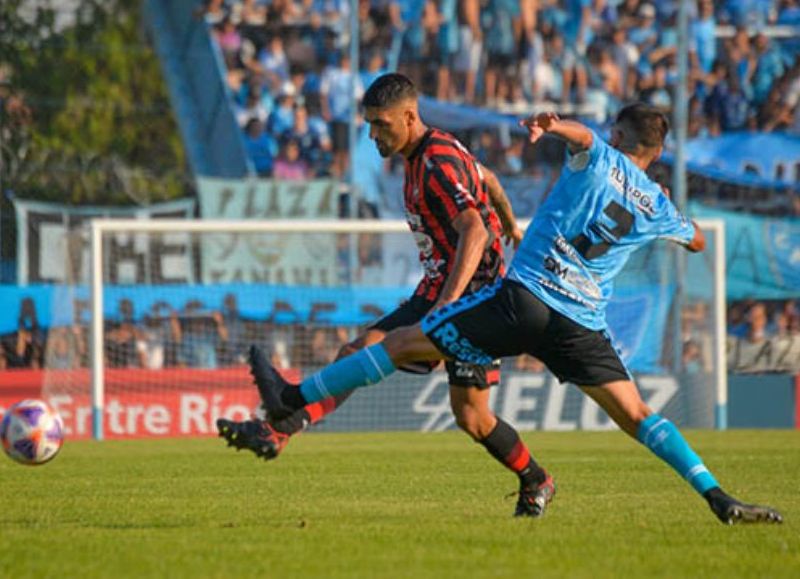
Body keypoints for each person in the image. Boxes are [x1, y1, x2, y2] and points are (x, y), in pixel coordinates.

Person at [244, 102, 783, 524]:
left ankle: (291, 399)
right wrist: (662, 205)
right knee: (639, 417)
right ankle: (717, 495)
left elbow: (581, 137)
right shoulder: (657, 203)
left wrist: (552, 124)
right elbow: (694, 243)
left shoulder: (600, 155)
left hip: (526, 299)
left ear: (619, 137)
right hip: (581, 324)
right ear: (658, 153)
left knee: (403, 343)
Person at [217, 72, 549, 515]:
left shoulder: (434, 162)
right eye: (369, 124)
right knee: (463, 412)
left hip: (471, 300)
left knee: (448, 401)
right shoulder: (433, 154)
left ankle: (281, 423)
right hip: (443, 290)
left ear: (409, 117)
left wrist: (449, 306)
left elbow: (472, 227)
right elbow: (486, 178)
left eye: (381, 124)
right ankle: (537, 480)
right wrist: (510, 224)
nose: (373, 134)